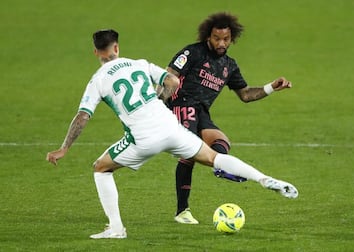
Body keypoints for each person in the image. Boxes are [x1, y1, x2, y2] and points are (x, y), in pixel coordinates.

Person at [46, 29, 298, 239]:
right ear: (117, 48)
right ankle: (265, 179)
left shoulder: (98, 80)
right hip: (170, 125)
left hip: (142, 138)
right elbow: (173, 82)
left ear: (96, 52)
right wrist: (159, 99)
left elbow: (83, 116)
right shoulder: (139, 64)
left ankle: (116, 228)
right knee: (213, 157)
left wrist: (64, 148)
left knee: (101, 168)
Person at [165, 12, 294, 224]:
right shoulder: (193, 52)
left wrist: (271, 87)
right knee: (189, 153)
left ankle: (221, 167)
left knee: (221, 141)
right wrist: (160, 102)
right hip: (182, 104)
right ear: (208, 36)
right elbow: (169, 74)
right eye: (217, 38)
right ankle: (182, 211)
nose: (221, 43)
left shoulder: (229, 66)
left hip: (202, 111)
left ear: (232, 38)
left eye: (226, 39)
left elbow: (245, 95)